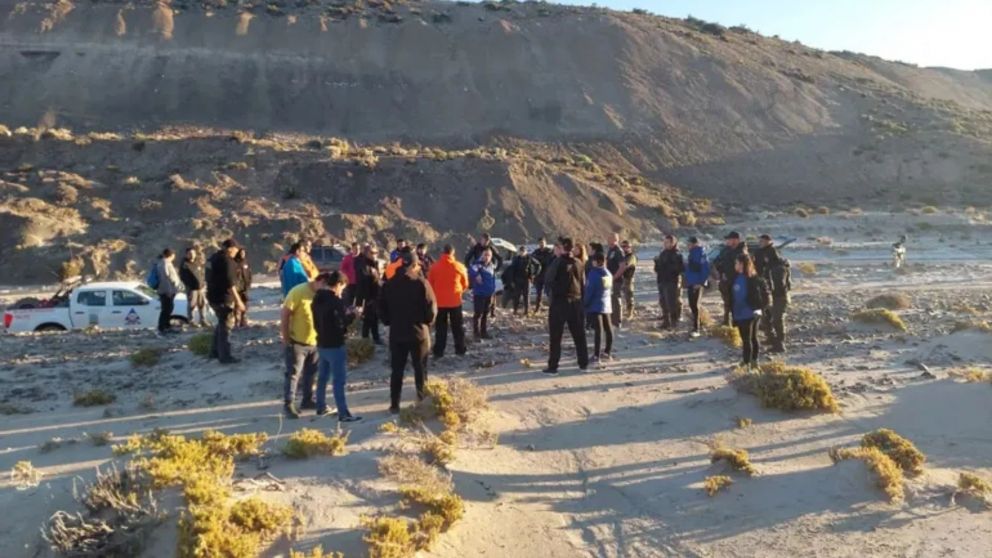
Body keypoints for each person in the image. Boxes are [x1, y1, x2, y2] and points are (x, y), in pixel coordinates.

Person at [379, 252, 438, 413]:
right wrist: (427, 323)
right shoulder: (421, 283)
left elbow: (381, 309)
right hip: (418, 332)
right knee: (420, 368)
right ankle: (421, 400)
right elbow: (431, 308)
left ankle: (394, 404)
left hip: (397, 333)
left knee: (397, 370)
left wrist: (389, 321)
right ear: (413, 265)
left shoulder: (389, 284)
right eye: (418, 265)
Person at [312, 271, 362, 422]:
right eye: (343, 287)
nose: (343, 290)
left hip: (321, 342)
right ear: (339, 284)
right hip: (335, 344)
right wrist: (354, 315)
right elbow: (342, 322)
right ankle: (343, 413)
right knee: (338, 380)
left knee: (322, 377)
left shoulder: (317, 297)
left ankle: (320, 406)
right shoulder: (335, 300)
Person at [281, 272, 332, 418]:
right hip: (297, 341)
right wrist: (286, 338)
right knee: (293, 374)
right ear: (320, 281)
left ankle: (307, 400)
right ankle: (289, 403)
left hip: (315, 342)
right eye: (325, 286)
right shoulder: (298, 291)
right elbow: (285, 314)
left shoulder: (322, 295)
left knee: (311, 373)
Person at [543, 238, 589, 375]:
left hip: (560, 302)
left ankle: (553, 366)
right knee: (579, 335)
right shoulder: (579, 262)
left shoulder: (557, 262)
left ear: (562, 248)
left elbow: (549, 281)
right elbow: (583, 283)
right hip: (576, 301)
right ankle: (583, 363)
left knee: (556, 336)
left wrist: (552, 295)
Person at [206, 239, 245, 363]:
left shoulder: (213, 258)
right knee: (226, 326)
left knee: (221, 323)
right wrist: (239, 301)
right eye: (235, 250)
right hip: (223, 297)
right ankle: (225, 356)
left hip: (212, 295)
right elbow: (230, 283)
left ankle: (214, 351)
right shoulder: (227, 261)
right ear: (230, 248)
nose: (236, 253)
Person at [428, 245, 469, 358]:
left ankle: (439, 351)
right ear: (453, 252)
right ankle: (460, 349)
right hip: (455, 301)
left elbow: (430, 284)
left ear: (442, 252)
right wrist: (458, 291)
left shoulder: (434, 267)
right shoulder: (459, 266)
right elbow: (465, 284)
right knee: (457, 327)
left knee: (441, 328)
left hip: (439, 302)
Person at [731, 254, 771, 370]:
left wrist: (759, 308)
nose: (735, 265)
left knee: (749, 338)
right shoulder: (737, 277)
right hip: (740, 312)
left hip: (749, 313)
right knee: (749, 338)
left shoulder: (752, 279)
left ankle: (749, 362)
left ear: (742, 264)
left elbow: (761, 297)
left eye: (737, 263)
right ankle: (750, 361)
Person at [755, 235, 791, 353]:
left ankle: (780, 344)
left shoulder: (778, 267)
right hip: (770, 295)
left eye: (762, 242)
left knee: (777, 319)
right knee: (765, 318)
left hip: (779, 296)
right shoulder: (767, 266)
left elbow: (780, 285)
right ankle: (771, 339)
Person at [714, 231, 748, 327]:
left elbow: (742, 268)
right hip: (725, 281)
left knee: (736, 304)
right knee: (727, 303)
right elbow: (717, 261)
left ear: (736, 240)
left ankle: (736, 324)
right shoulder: (725, 250)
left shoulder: (741, 252)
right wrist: (722, 272)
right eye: (727, 239)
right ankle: (726, 321)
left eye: (729, 239)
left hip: (737, 282)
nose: (727, 241)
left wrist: (729, 274)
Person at [584, 251, 613, 363]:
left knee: (598, 331)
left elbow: (590, 290)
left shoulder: (593, 274)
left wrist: (585, 303)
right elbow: (608, 289)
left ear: (596, 262)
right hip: (606, 304)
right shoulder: (608, 273)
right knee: (609, 329)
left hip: (595, 305)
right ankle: (607, 352)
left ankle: (596, 355)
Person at [654, 235, 685, 330]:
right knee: (663, 302)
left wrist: (666, 266)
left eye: (667, 242)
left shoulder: (677, 254)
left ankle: (674, 323)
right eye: (664, 242)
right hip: (662, 280)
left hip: (672, 281)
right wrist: (657, 263)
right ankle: (666, 322)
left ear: (673, 243)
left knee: (672, 303)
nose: (665, 243)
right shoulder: (663, 253)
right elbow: (658, 269)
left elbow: (679, 269)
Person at [354, 244, 383, 345]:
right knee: (368, 319)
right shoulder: (363, 266)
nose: (375, 255)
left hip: (375, 295)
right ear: (366, 253)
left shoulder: (374, 264)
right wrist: (359, 303)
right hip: (368, 297)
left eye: (376, 253)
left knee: (374, 318)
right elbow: (361, 285)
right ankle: (365, 339)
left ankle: (375, 337)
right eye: (372, 253)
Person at [683, 237, 711, 337]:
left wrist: (701, 282)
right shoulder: (691, 253)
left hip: (697, 283)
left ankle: (697, 328)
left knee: (695, 305)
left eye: (689, 244)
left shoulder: (701, 253)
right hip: (691, 282)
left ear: (694, 244)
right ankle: (695, 325)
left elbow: (705, 269)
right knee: (692, 305)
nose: (687, 246)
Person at [468, 248, 497, 340]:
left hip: (489, 294)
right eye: (485, 255)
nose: (487, 257)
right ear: (482, 255)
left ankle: (484, 332)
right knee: (478, 314)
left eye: (488, 255)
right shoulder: (478, 265)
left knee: (485, 313)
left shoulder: (492, 266)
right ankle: (476, 333)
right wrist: (477, 275)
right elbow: (471, 271)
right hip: (479, 294)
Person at [179, 246, 209, 327]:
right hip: (192, 288)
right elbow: (183, 277)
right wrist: (191, 285)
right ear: (186, 254)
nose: (192, 255)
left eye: (193, 253)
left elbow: (201, 274)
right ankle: (191, 321)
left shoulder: (197, 263)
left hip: (200, 288)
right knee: (192, 305)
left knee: (202, 304)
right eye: (189, 253)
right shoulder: (185, 265)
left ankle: (203, 320)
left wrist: (203, 284)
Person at [155, 248, 182, 334]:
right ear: (171, 255)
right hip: (166, 291)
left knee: (168, 309)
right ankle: (162, 327)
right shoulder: (165, 264)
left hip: (166, 290)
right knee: (166, 309)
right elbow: (166, 279)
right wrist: (169, 291)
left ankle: (166, 325)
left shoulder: (162, 263)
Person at [507, 246, 540, 315]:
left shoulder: (529, 258)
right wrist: (511, 279)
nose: (522, 253)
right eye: (521, 251)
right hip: (517, 279)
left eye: (523, 251)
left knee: (526, 296)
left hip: (526, 279)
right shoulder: (516, 259)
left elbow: (538, 265)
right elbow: (512, 269)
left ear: (525, 252)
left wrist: (534, 275)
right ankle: (515, 310)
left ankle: (526, 311)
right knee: (516, 296)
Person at [615, 240, 638, 323]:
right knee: (625, 295)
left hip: (629, 279)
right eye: (623, 246)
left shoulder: (631, 257)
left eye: (626, 246)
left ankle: (630, 313)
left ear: (630, 247)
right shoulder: (624, 256)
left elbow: (625, 266)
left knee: (629, 296)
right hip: (624, 278)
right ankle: (628, 311)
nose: (624, 248)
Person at [531, 237, 555, 313]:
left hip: (547, 275)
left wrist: (539, 260)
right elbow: (532, 260)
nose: (541, 244)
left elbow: (548, 261)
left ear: (545, 243)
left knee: (549, 292)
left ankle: (552, 307)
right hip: (538, 275)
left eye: (543, 243)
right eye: (540, 243)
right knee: (538, 293)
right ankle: (538, 307)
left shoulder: (549, 251)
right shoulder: (536, 252)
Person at [606, 233, 624, 327]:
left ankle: (617, 321)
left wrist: (614, 277)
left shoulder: (618, 251)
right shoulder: (610, 250)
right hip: (610, 279)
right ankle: (612, 319)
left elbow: (622, 266)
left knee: (616, 299)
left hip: (616, 280)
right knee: (611, 300)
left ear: (615, 239)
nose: (608, 240)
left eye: (609, 238)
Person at [234, 248, 252, 328]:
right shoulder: (234, 263)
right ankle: (236, 321)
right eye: (241, 253)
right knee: (237, 305)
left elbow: (249, 273)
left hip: (245, 287)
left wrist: (249, 284)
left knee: (245, 304)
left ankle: (243, 320)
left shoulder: (246, 262)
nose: (242, 254)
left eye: (244, 253)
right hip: (237, 288)